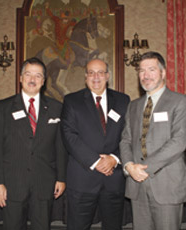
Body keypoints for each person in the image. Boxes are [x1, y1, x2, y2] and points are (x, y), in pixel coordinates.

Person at [0, 57, 67, 230]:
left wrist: (61, 178)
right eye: (28, 75)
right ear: (21, 78)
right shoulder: (3, 107)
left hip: (44, 183)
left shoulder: (56, 108)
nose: (32, 79)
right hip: (12, 184)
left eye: (38, 76)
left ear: (44, 81)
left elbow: (60, 147)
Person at [120, 51, 186, 230]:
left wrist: (143, 168)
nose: (145, 75)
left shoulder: (180, 102)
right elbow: (125, 139)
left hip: (167, 185)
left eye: (151, 69)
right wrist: (129, 166)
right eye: (141, 71)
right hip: (137, 184)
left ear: (163, 72)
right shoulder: (133, 106)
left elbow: (178, 142)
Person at [61, 59, 130, 230]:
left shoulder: (123, 100)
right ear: (85, 77)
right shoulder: (72, 100)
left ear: (108, 76)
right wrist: (96, 162)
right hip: (82, 178)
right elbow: (69, 136)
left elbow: (129, 135)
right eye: (91, 72)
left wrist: (114, 159)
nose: (96, 77)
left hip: (113, 178)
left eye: (100, 72)